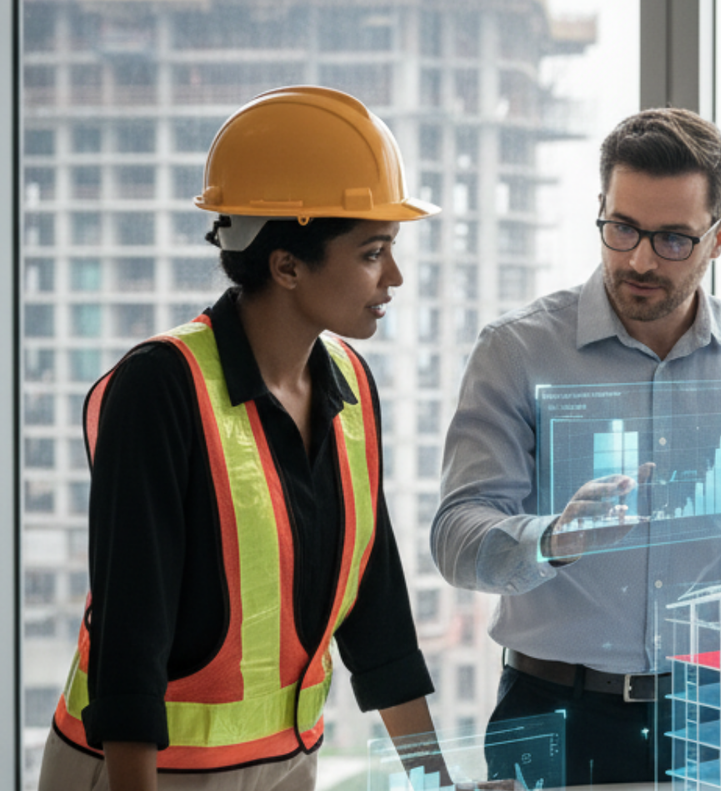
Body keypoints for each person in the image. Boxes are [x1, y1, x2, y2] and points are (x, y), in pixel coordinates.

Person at [38, 86, 460, 791]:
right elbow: (130, 633)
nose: (394, 277)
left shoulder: (349, 385)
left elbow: (377, 613)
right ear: (286, 265)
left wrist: (437, 784)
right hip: (139, 772)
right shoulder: (161, 387)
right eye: (372, 253)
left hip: (287, 765)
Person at [432, 107, 721, 784]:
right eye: (621, 229)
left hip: (711, 714)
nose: (639, 259)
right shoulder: (518, 350)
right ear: (600, 209)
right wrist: (551, 539)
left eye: (674, 239)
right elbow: (456, 538)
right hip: (550, 710)